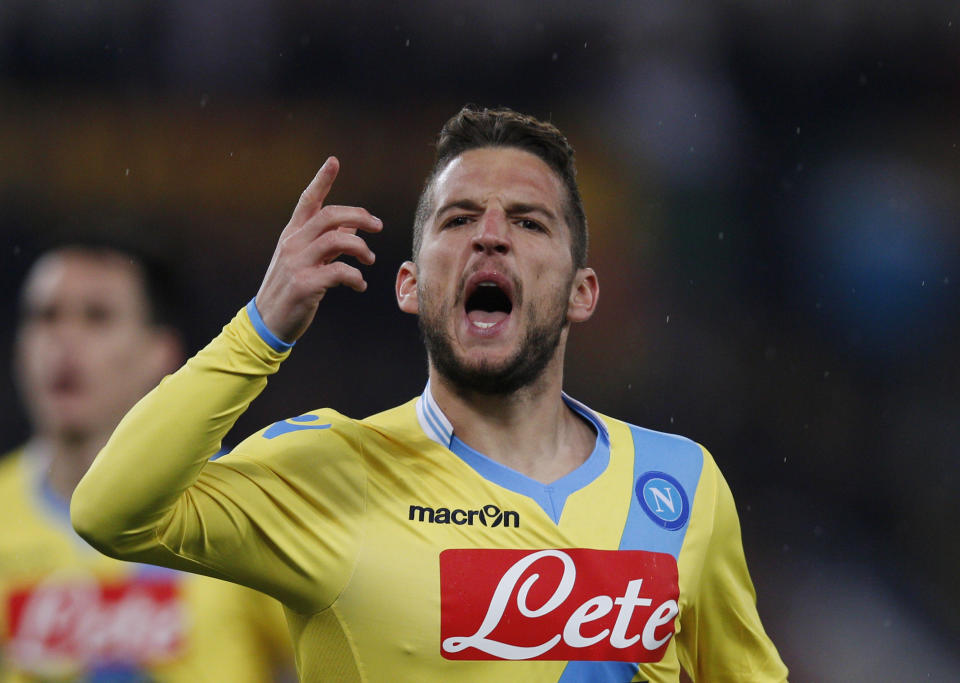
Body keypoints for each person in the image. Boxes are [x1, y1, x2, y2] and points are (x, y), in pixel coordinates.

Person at [71, 107, 789, 681]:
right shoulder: (332, 469)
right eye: (457, 219)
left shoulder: (681, 484)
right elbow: (111, 512)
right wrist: (262, 327)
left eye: (529, 221)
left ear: (581, 292)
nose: (491, 238)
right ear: (410, 286)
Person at [1, 243, 294, 682]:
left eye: (97, 316)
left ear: (161, 353)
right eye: (46, 316)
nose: (63, 340)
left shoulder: (244, 504)